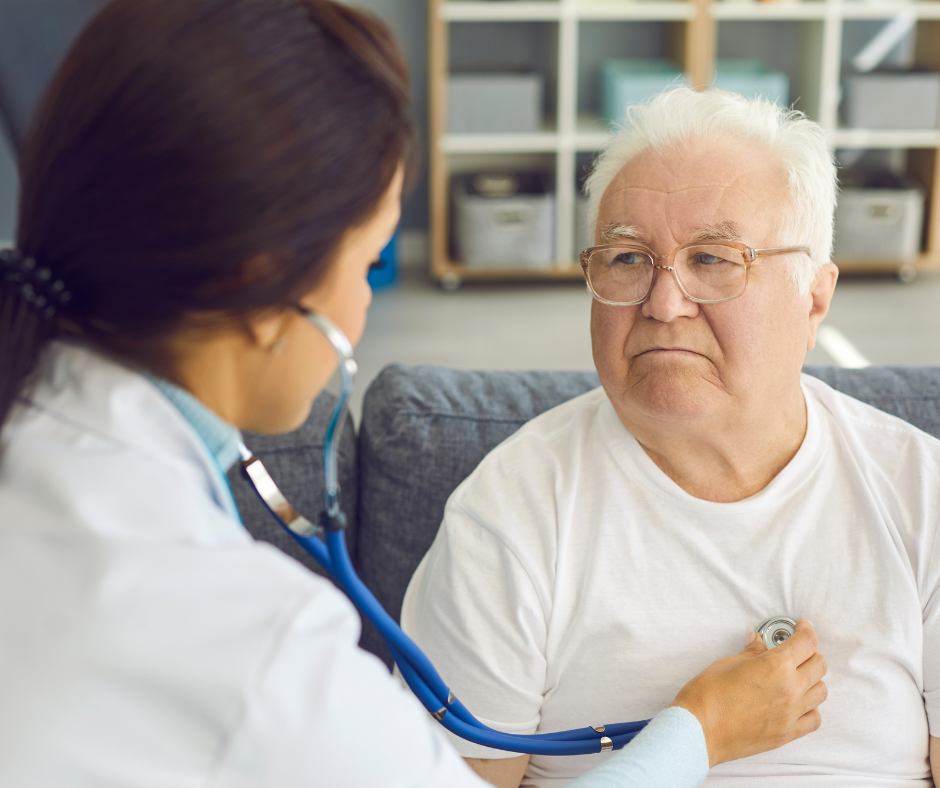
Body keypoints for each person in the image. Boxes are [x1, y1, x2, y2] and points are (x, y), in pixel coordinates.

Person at [0, 3, 827, 785]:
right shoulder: (250, 644)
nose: (663, 302)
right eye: (367, 262)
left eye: (714, 260)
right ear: (262, 290)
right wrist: (696, 733)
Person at [401, 87, 940, 788]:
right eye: (626, 260)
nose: (662, 303)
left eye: (713, 259)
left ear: (814, 298)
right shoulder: (507, 518)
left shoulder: (921, 494)